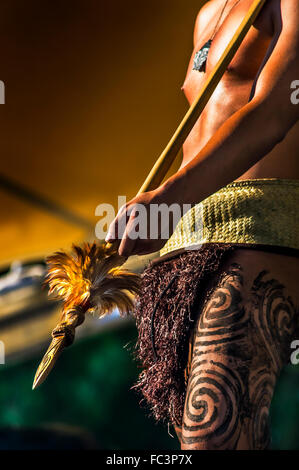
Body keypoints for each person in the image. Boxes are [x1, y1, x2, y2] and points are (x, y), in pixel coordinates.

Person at [106, 0, 299, 450]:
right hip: (189, 242)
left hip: (259, 228)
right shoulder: (210, 10)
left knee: (214, 438)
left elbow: (276, 110)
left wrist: (171, 198)